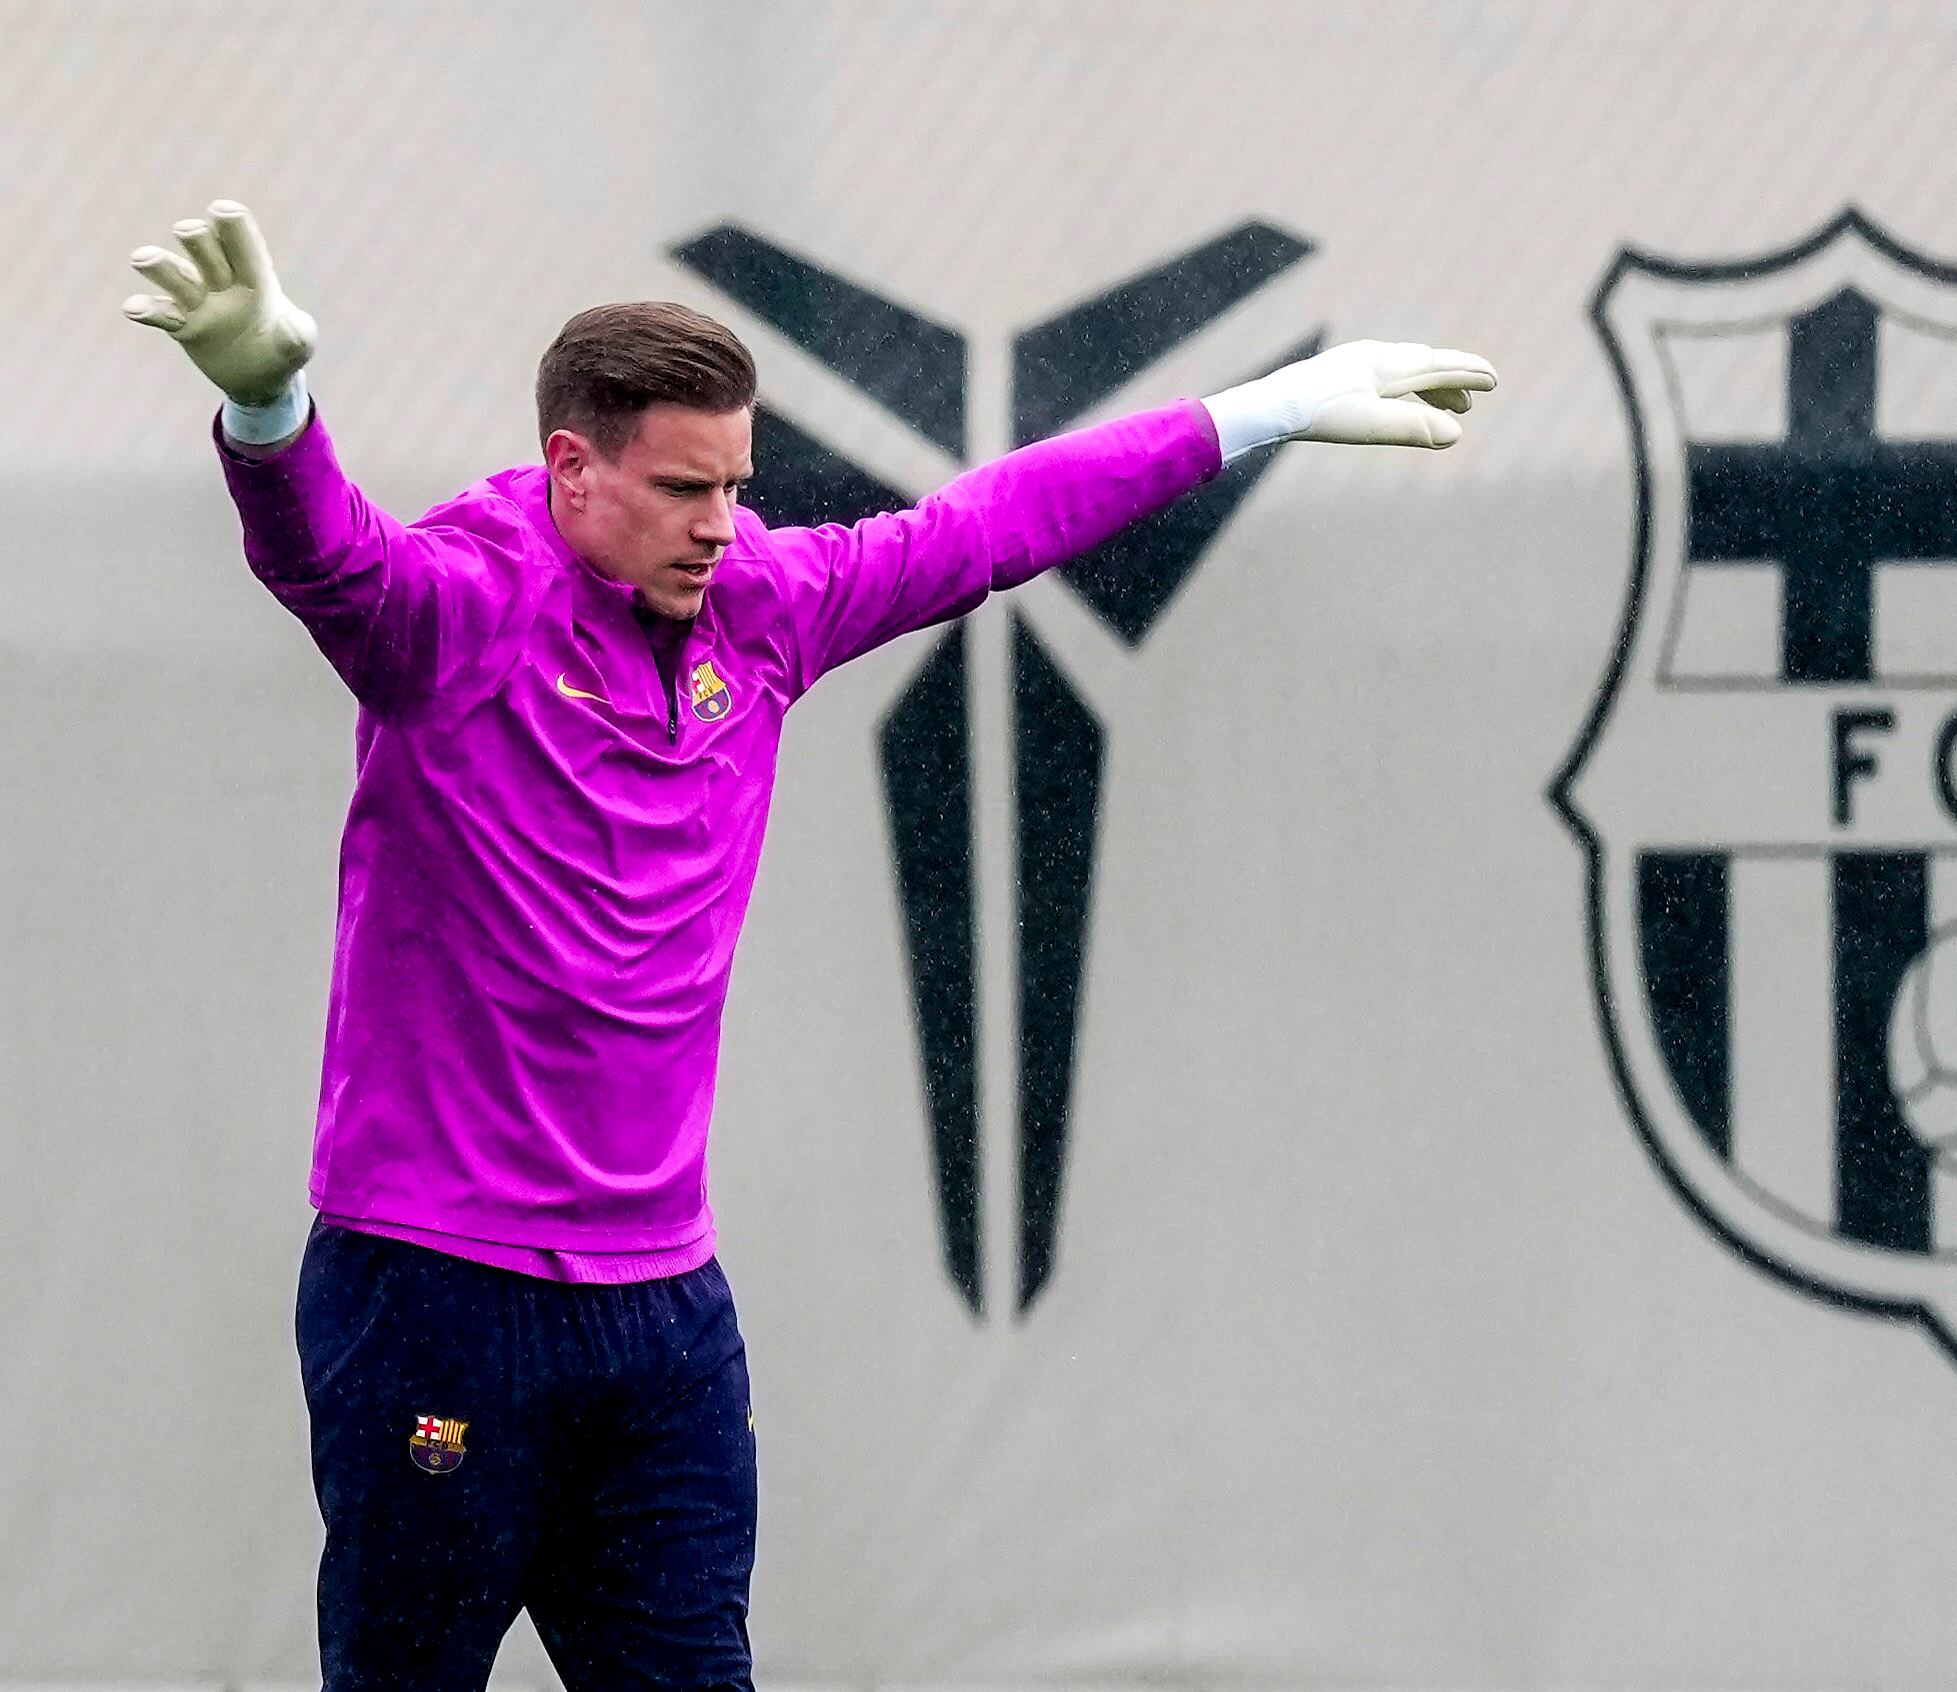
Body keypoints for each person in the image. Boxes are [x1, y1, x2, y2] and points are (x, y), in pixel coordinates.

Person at [119, 199, 1494, 1690]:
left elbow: (986, 527)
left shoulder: (762, 608)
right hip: (441, 1294)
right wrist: (268, 406)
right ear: (572, 471)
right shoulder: (457, 615)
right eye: (684, 488)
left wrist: (1265, 409)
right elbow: (328, 559)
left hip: (663, 1319)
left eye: (737, 484)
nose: (722, 521)